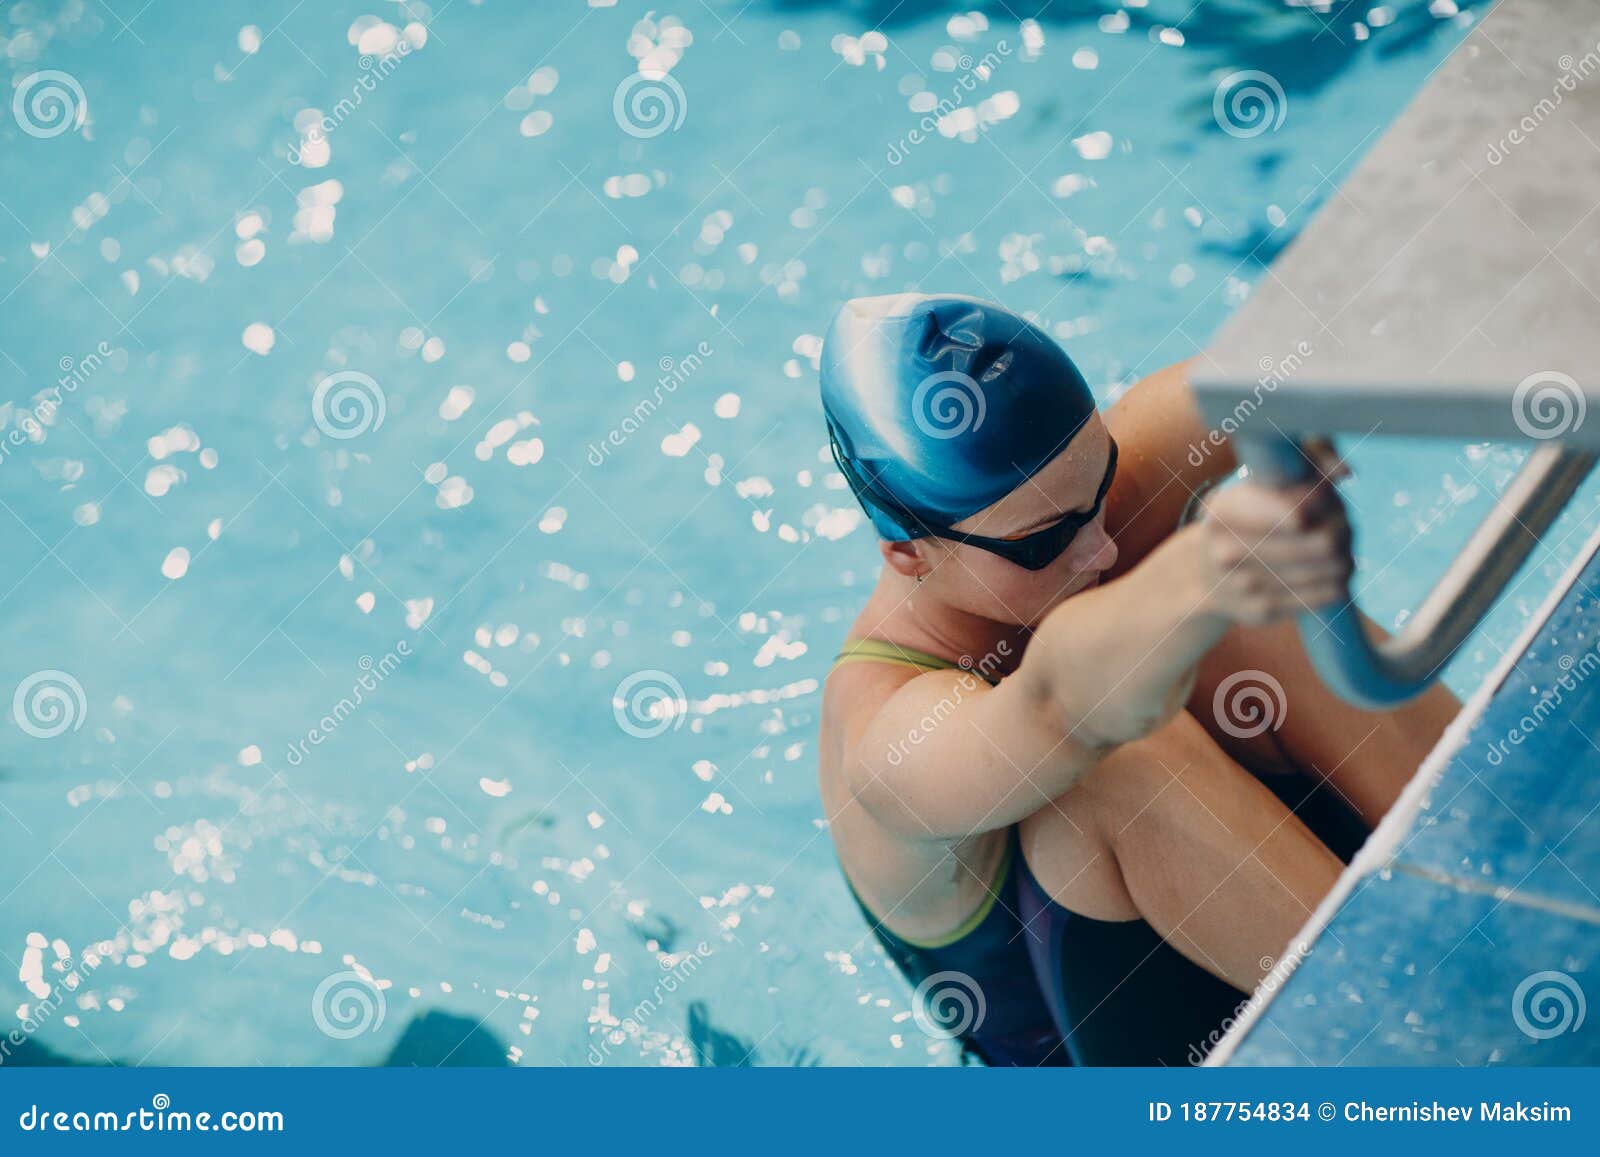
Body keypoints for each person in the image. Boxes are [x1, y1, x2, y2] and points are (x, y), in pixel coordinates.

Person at [817, 293, 1459, 1066]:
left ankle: (1523, 875)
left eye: (1104, 487)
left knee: (1245, 621)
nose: (1100, 548)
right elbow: (1054, 707)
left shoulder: (1061, 507)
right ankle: (1441, 1045)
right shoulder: (885, 735)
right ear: (908, 554)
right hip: (1156, 1067)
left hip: (1290, 916)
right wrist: (1205, 569)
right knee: (1112, 754)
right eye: (1046, 540)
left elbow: (1306, 351)